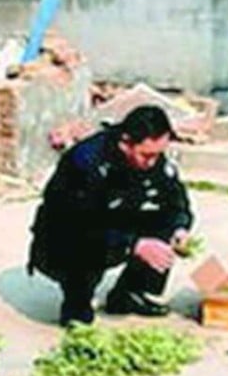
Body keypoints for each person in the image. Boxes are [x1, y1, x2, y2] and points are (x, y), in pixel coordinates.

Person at [27, 105, 195, 326]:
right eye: (146, 155)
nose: (152, 163)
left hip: (113, 222)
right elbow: (76, 224)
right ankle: (77, 306)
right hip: (64, 237)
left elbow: (176, 201)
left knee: (164, 225)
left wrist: (179, 228)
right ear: (125, 143)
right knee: (80, 247)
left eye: (158, 154)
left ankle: (129, 294)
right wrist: (134, 245)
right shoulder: (85, 162)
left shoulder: (154, 161)